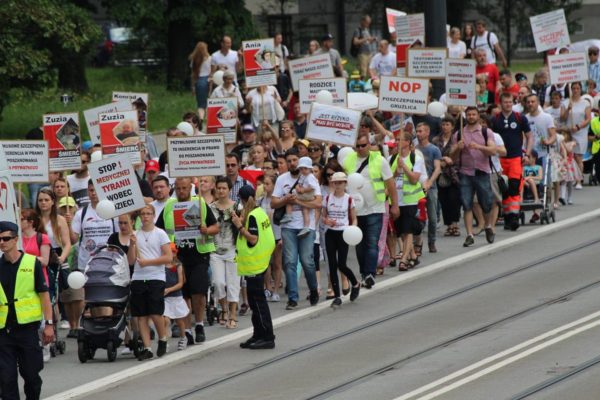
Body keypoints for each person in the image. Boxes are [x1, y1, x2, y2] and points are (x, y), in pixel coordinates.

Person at [156, 177, 218, 344]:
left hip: (199, 254)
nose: (181, 192)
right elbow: (159, 230)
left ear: (190, 188)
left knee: (198, 292)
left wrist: (206, 230)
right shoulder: (169, 206)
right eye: (178, 188)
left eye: (184, 188)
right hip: (177, 257)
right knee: (183, 295)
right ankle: (187, 329)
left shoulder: (200, 203)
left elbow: (216, 227)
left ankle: (199, 324)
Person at [0, 220, 54, 399]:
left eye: (6, 238)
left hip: (27, 330)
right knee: (6, 379)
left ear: (16, 240)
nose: (2, 242)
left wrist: (49, 324)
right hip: (3, 332)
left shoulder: (32, 263)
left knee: (31, 376)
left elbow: (44, 295)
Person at [343, 132, 398, 288]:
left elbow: (390, 184)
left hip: (376, 208)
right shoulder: (349, 160)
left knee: (372, 243)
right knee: (360, 245)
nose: (360, 149)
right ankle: (363, 272)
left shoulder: (379, 160)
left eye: (363, 145)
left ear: (369, 145)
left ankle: (370, 274)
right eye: (357, 146)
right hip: (356, 210)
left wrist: (395, 205)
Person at [272, 147, 321, 310]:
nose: (292, 163)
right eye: (289, 161)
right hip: (288, 226)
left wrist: (299, 202)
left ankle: (313, 289)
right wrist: (286, 199)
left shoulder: (310, 177)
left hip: (306, 226)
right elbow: (273, 203)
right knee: (290, 262)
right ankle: (293, 298)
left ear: (299, 161)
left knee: (307, 261)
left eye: (295, 160)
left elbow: (318, 203)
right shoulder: (282, 179)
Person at [232, 185, 276, 350]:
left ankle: (267, 336)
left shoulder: (252, 216)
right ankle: (258, 334)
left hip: (254, 265)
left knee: (257, 303)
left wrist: (239, 226)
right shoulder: (258, 212)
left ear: (242, 199)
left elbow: (253, 239)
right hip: (259, 263)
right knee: (255, 301)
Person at [127, 205, 172, 361]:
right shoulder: (135, 234)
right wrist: (132, 244)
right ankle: (147, 347)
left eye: (148, 214)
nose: (145, 216)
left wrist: (149, 262)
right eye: (143, 214)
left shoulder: (160, 233)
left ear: (153, 215)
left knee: (155, 312)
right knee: (141, 315)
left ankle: (163, 338)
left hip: (156, 277)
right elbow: (131, 260)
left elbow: (168, 257)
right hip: (139, 277)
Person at [450, 106, 497, 247]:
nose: (471, 117)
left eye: (473, 114)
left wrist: (479, 147)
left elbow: (493, 150)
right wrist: (457, 148)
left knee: (486, 203)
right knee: (467, 204)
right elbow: (452, 157)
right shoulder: (459, 134)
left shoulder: (485, 132)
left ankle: (488, 226)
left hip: (482, 171)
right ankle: (469, 234)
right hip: (465, 172)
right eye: (468, 114)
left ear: (478, 117)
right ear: (465, 116)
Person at [491, 92, 533, 230]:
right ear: (500, 103)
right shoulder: (495, 119)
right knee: (504, 188)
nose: (508, 104)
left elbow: (529, 136)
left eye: (510, 102)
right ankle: (507, 217)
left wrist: (527, 153)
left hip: (515, 158)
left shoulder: (520, 118)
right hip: (500, 159)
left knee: (514, 187)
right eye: (505, 102)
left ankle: (514, 217)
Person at [321, 172, 360, 307]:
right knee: (332, 264)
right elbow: (323, 217)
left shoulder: (349, 199)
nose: (337, 185)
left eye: (340, 182)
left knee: (341, 264)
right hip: (330, 233)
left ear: (345, 184)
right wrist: (327, 221)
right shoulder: (327, 199)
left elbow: (354, 217)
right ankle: (337, 296)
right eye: (335, 182)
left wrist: (353, 229)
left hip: (344, 233)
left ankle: (355, 283)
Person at [209, 177, 241, 329]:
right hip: (215, 251)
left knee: (234, 283)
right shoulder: (210, 208)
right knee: (218, 283)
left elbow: (243, 225)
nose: (221, 191)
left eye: (224, 188)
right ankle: (224, 309)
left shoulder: (237, 206)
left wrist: (238, 220)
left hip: (232, 249)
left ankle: (233, 313)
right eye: (219, 188)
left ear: (229, 190)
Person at [433, 115, 462, 237]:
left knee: (454, 199)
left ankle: (455, 224)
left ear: (452, 127)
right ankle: (449, 225)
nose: (445, 127)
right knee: (444, 200)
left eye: (447, 124)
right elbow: (434, 155)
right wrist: (442, 161)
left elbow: (460, 156)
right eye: (443, 124)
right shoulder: (436, 140)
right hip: (441, 173)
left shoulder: (457, 139)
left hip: (454, 173)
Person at [415, 122, 442, 253]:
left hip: (431, 187)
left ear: (427, 133)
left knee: (432, 217)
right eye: (417, 131)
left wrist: (430, 182)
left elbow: (437, 168)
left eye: (421, 131)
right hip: (417, 188)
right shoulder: (414, 149)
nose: (418, 133)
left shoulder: (434, 150)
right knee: (417, 217)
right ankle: (417, 243)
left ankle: (432, 241)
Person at [280, 156, 318, 238]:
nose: (303, 170)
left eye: (305, 168)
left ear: (310, 169)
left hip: (308, 194)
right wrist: (297, 187)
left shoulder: (310, 177)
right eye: (301, 169)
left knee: (289, 197)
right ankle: (306, 227)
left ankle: (289, 215)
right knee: (305, 210)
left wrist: (303, 190)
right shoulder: (302, 175)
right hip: (304, 195)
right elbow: (299, 183)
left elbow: (312, 187)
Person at [258, 175, 283, 302]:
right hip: (264, 236)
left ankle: (276, 291)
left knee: (277, 264)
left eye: (267, 184)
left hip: (277, 234)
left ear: (274, 185)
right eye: (264, 184)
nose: (265, 186)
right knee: (266, 264)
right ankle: (267, 288)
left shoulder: (279, 200)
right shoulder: (261, 200)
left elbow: (284, 219)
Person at [563, 81, 591, 189]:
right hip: (569, 132)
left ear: (580, 90)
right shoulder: (566, 102)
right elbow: (563, 118)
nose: (575, 90)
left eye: (577, 88)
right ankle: (572, 178)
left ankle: (579, 180)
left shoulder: (585, 103)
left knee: (578, 156)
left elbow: (588, 118)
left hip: (580, 132)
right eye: (573, 88)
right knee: (571, 156)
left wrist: (579, 126)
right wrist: (568, 109)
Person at [163, 244, 189, 351]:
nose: (171, 254)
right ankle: (164, 341)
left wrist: (169, 289)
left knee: (179, 320)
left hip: (176, 297)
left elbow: (180, 283)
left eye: (173, 252)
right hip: (165, 298)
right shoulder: (162, 265)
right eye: (169, 252)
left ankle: (183, 337)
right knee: (165, 320)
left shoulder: (178, 265)